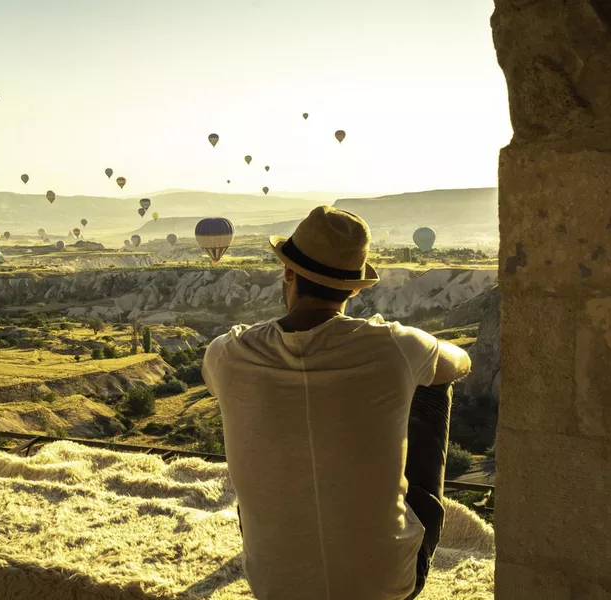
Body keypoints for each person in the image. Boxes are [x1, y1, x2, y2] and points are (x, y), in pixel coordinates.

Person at [202, 206, 471, 599]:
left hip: (274, 584)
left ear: (288, 273)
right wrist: (418, 353)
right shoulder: (396, 345)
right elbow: (460, 364)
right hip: (384, 583)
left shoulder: (226, 353)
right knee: (432, 383)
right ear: (356, 288)